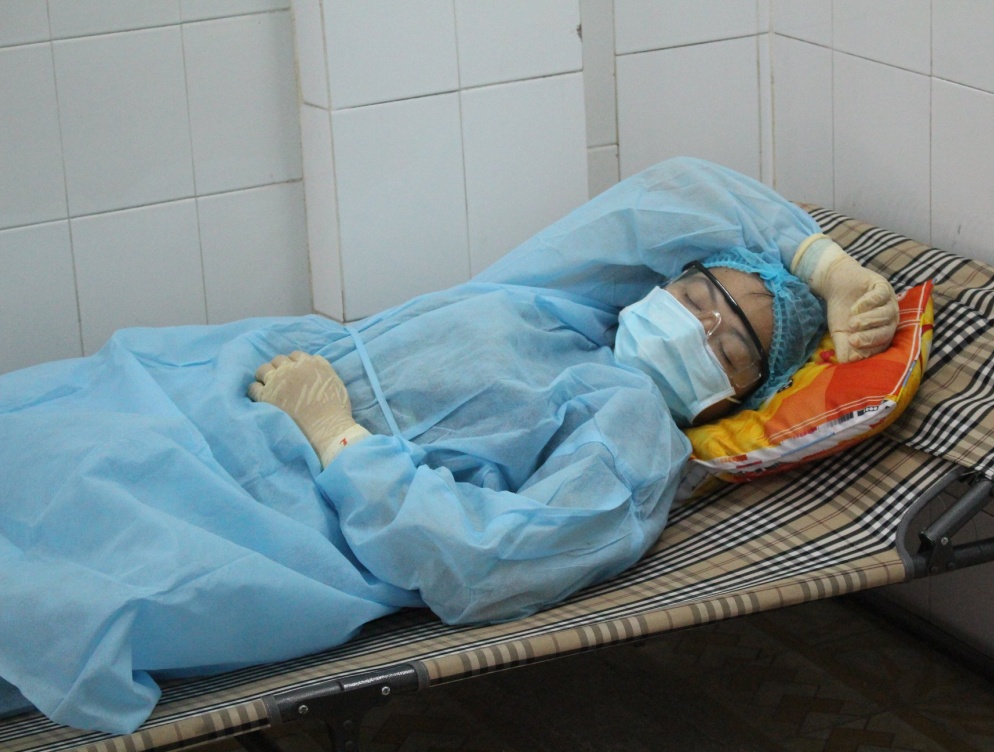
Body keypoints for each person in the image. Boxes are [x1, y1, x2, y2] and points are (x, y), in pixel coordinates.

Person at [0, 158, 896, 734]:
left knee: (64, 543)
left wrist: (338, 436)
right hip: (204, 386)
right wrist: (820, 264)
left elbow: (489, 562)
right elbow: (673, 191)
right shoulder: (565, 301)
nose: (700, 323)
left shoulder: (632, 434)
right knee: (40, 431)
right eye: (699, 295)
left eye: (730, 344)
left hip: (272, 506)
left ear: (740, 395)